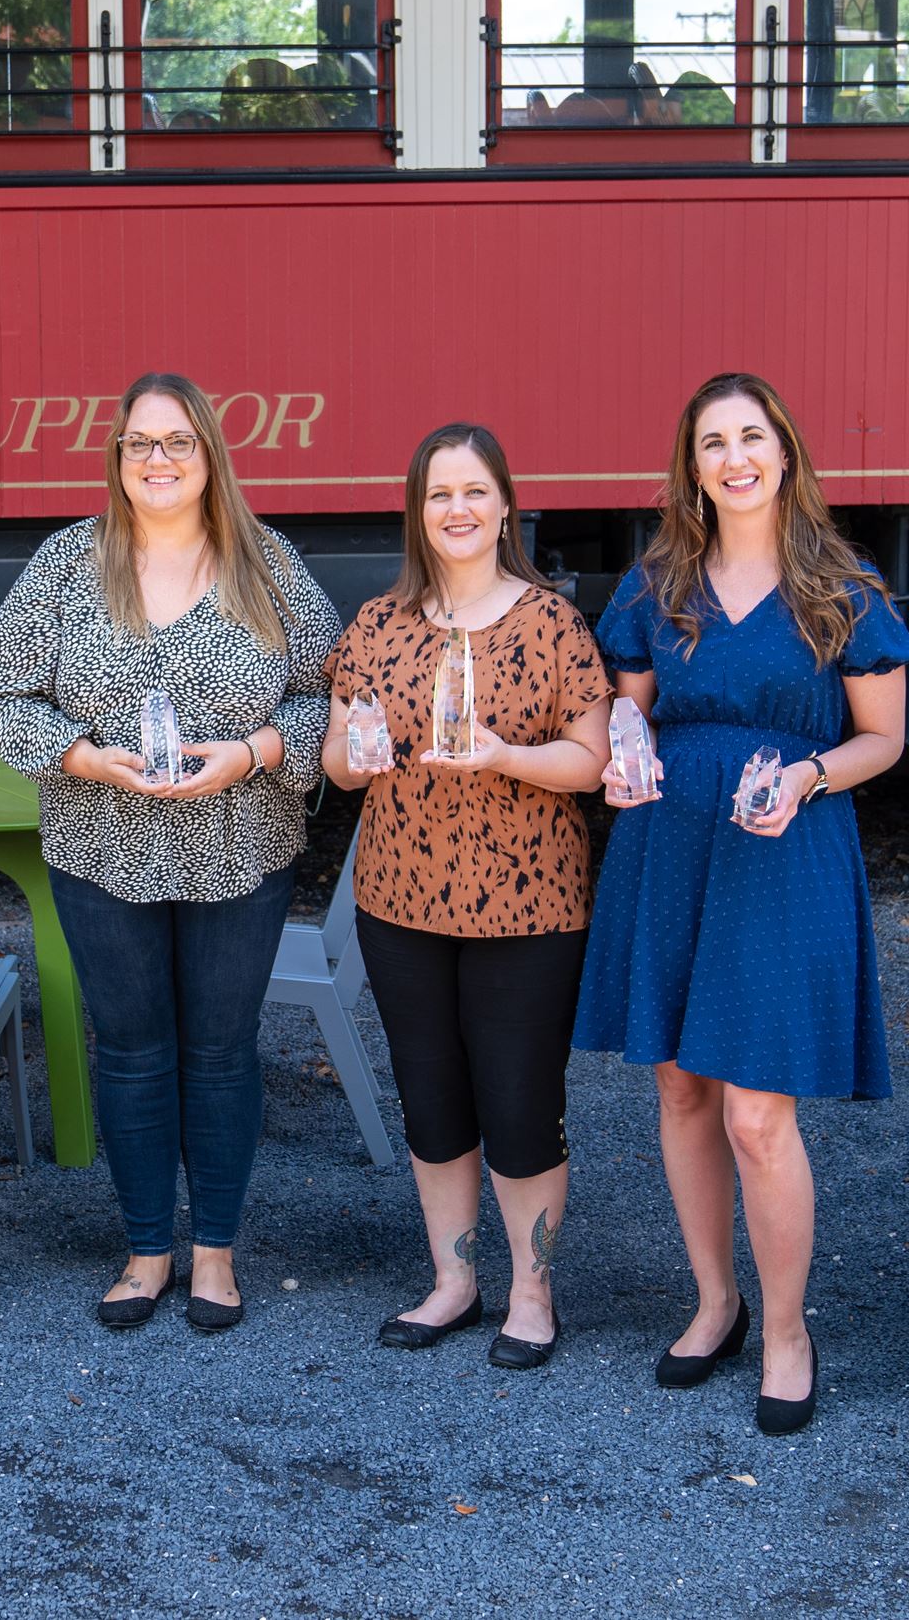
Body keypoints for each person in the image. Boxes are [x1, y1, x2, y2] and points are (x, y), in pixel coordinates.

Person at [571, 371, 909, 1436]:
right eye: (711, 440)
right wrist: (619, 758)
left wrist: (809, 775)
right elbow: (622, 717)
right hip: (669, 843)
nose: (732, 456)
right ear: (690, 465)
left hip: (782, 845)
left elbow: (881, 738)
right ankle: (712, 1300)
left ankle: (783, 1328)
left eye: (750, 436)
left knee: (758, 1112)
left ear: (783, 451)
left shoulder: (840, 585)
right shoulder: (656, 580)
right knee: (680, 1089)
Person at [0, 373, 339, 1333]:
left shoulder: (266, 564)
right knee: (132, 1052)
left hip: (241, 844)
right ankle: (145, 1250)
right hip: (101, 846)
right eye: (140, 443)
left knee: (220, 1053)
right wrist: (83, 756)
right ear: (117, 460)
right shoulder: (67, 566)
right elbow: (4, 698)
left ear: (210, 453)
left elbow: (331, 697)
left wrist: (255, 753)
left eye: (178, 441)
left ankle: (214, 1253)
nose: (160, 460)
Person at [322, 424, 609, 1370]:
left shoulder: (552, 623)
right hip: (401, 902)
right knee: (433, 1104)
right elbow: (339, 762)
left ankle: (534, 1292)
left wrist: (505, 755)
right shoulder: (376, 624)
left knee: (522, 1108)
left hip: (528, 909)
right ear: (418, 509)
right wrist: (355, 756)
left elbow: (590, 760)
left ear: (504, 507)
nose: (457, 509)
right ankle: (453, 1280)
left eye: (475, 492)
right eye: (440, 493)